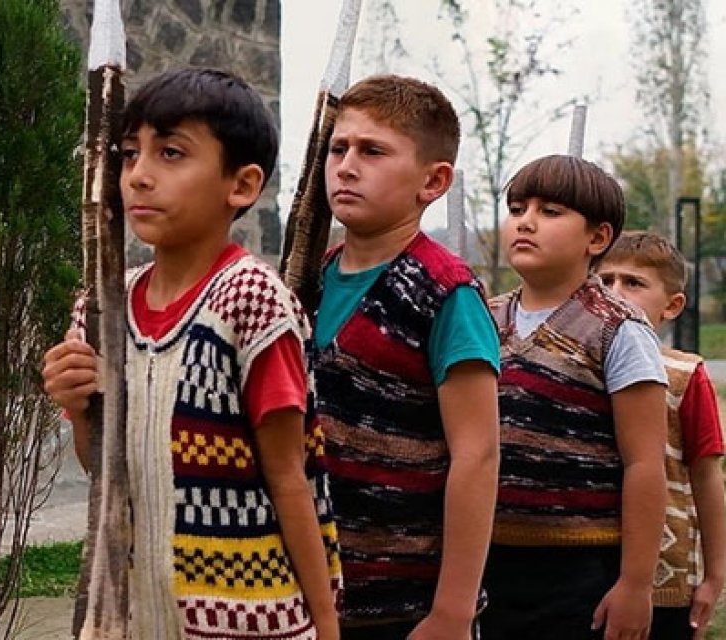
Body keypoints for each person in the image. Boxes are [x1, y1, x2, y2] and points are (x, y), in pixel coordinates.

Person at [42, 67, 341, 639]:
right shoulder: (102, 306)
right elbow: (102, 469)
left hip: (246, 620)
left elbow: (288, 477)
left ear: (243, 185)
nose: (138, 177)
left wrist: (325, 625)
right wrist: (79, 404)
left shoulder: (252, 303)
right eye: (130, 155)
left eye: (171, 153)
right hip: (132, 616)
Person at [311, 74, 500, 639]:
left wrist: (451, 611)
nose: (345, 166)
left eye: (373, 151)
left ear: (433, 180)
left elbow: (479, 456)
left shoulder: (447, 293)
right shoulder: (306, 279)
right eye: (338, 148)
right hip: (310, 594)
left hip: (406, 607)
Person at [483, 155, 668, 639]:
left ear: (597, 238)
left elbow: (645, 464)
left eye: (550, 211)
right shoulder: (482, 318)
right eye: (518, 207)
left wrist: (635, 583)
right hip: (484, 561)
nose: (526, 221)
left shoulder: (618, 329)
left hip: (579, 574)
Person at [596, 230, 725, 640]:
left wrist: (714, 575)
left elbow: (707, 478)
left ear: (672, 305)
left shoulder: (686, 377)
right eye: (605, 280)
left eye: (633, 283)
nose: (616, 293)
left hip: (663, 580)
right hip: (583, 567)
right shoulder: (574, 367)